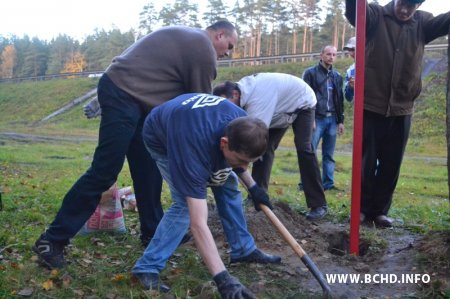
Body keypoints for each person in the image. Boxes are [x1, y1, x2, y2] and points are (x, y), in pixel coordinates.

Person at [32, 20, 239, 269]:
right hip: (124, 93)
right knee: (105, 168)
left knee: (148, 168)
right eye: (229, 45)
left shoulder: (189, 39)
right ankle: (52, 240)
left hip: (140, 101)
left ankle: (151, 230)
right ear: (219, 35)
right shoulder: (202, 48)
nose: (228, 52)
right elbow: (199, 108)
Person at [132, 93, 281, 296]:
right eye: (240, 160)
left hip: (196, 127)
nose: (244, 167)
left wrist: (254, 187)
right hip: (163, 138)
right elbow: (198, 224)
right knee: (184, 204)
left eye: (250, 162)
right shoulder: (192, 148)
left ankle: (243, 249)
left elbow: (239, 158)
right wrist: (223, 279)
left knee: (228, 185)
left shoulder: (242, 122)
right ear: (224, 143)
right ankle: (147, 267)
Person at [345, 0, 450, 227]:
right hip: (370, 106)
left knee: (391, 164)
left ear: (418, 6)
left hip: (402, 107)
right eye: (402, 4)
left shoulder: (423, 22)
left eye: (411, 7)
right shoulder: (374, 14)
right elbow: (355, 13)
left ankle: (380, 211)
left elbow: (446, 22)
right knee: (366, 161)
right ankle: (362, 209)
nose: (404, 11)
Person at [213, 73, 328, 220]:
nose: (226, 109)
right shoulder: (244, 91)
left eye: (226, 103)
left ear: (235, 94)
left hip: (301, 101)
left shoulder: (257, 98)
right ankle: (257, 194)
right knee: (264, 149)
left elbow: (252, 137)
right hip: (278, 109)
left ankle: (318, 204)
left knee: (304, 148)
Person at [302, 45, 345, 191]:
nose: (331, 57)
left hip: (332, 119)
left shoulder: (337, 77)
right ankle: (306, 183)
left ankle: (328, 184)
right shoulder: (310, 73)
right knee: (310, 152)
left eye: (334, 54)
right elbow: (305, 97)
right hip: (316, 118)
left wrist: (340, 121)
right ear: (321, 55)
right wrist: (310, 118)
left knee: (329, 155)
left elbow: (340, 100)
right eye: (328, 54)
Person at [343, 37, 356, 103]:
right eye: (349, 50)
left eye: (353, 49)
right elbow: (348, 98)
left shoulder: (373, 66)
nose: (351, 54)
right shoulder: (350, 71)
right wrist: (350, 88)